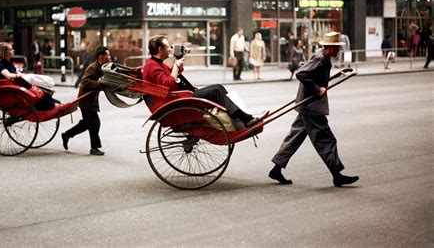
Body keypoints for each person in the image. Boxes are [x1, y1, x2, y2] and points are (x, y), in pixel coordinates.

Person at [269, 32, 359, 187]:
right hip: (311, 108)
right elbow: (301, 73)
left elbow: (311, 73)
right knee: (326, 139)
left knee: (294, 138)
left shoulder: (323, 58)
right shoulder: (320, 58)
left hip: (306, 106)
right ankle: (337, 175)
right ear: (329, 48)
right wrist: (317, 89)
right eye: (336, 48)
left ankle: (276, 169)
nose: (338, 51)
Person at [142, 35, 264, 128]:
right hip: (177, 99)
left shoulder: (156, 63)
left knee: (219, 87)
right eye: (167, 47)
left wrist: (177, 62)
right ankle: (244, 118)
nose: (170, 49)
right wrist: (175, 66)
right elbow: (168, 83)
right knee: (216, 91)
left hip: (180, 95)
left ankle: (239, 117)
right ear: (160, 49)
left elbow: (173, 74)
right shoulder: (152, 66)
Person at [61, 46, 111, 156]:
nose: (110, 57)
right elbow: (85, 82)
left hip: (92, 100)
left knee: (87, 124)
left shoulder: (103, 67)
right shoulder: (92, 67)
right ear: (100, 57)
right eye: (107, 55)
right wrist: (100, 84)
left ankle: (67, 135)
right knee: (94, 124)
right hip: (85, 100)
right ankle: (94, 148)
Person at [0, 42, 60, 110]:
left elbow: (15, 72)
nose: (13, 50)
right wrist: (18, 75)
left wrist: (19, 73)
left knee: (39, 91)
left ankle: (53, 100)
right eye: (10, 49)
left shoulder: (9, 63)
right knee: (32, 82)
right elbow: (8, 75)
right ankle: (52, 104)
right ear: (4, 52)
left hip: (16, 85)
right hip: (10, 90)